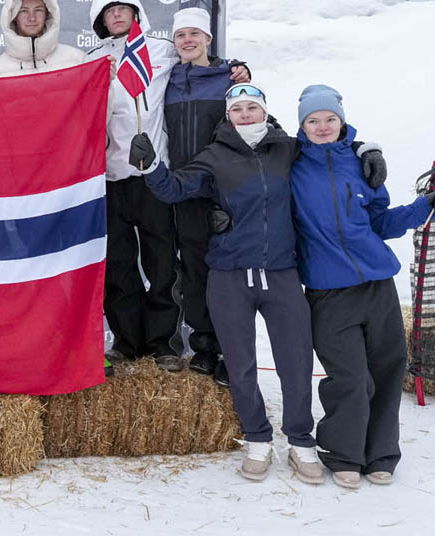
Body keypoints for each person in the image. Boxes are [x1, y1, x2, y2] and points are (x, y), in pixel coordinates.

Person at [130, 84, 321, 482]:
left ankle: (301, 442)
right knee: (240, 362)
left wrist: (367, 149)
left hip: (281, 272)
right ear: (228, 115)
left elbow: (329, 151)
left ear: (265, 112)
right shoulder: (216, 155)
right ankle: (257, 439)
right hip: (230, 273)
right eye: (239, 109)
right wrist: (151, 167)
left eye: (253, 107)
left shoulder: (287, 148)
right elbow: (176, 188)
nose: (246, 114)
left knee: (296, 361)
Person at [291, 84, 435, 489]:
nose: (322, 126)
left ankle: (380, 453)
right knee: (349, 375)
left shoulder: (361, 165)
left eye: (329, 119)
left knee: (387, 368)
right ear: (302, 125)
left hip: (378, 284)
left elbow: (380, 223)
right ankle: (342, 452)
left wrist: (423, 208)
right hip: (329, 291)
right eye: (313, 120)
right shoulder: (290, 165)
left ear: (342, 121)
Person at [84, 0, 184, 372]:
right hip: (110, 178)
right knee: (119, 264)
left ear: (137, 12)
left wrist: (236, 67)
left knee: (161, 262)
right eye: (108, 13)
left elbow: (201, 60)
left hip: (154, 175)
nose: (117, 17)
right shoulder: (91, 59)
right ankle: (127, 342)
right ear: (99, 21)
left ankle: (163, 345)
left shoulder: (162, 50)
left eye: (123, 9)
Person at [163, 7, 252, 386]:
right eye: (181, 35)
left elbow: (253, 126)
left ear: (208, 40)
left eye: (194, 34)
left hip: (221, 193)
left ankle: (231, 349)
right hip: (184, 192)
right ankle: (203, 346)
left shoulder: (229, 80)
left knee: (227, 274)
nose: (187, 41)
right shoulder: (167, 79)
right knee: (194, 271)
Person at [0, 0, 86, 77]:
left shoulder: (77, 61)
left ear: (48, 14)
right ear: (13, 17)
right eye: (24, 11)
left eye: (38, 10)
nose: (32, 18)